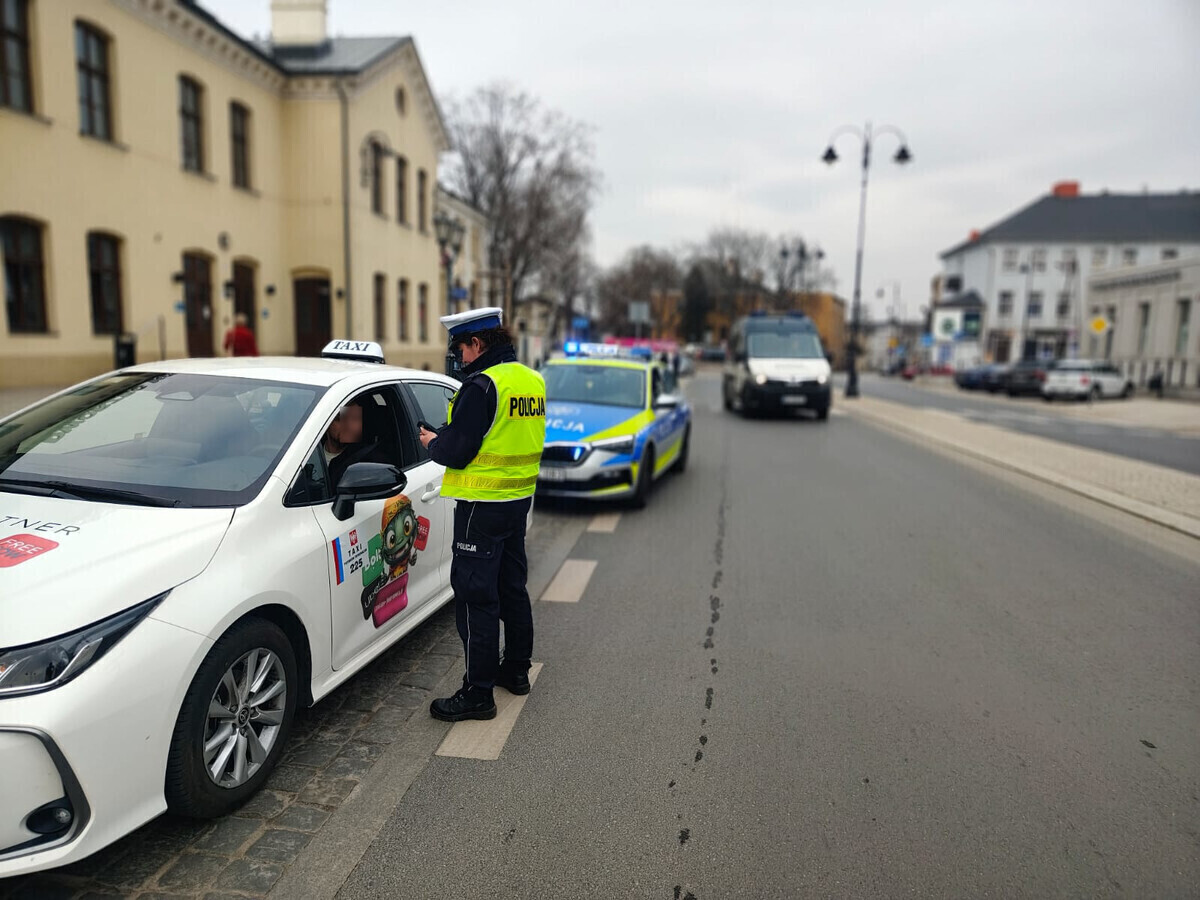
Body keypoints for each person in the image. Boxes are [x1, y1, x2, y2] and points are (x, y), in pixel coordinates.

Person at [418, 307, 546, 722]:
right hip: (516, 502)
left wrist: (433, 442)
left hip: (480, 507)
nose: (459, 358)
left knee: (476, 598)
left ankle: (477, 693)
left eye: (461, 349)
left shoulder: (481, 385)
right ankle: (517, 671)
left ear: (477, 343)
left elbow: (458, 450)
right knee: (513, 586)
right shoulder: (531, 380)